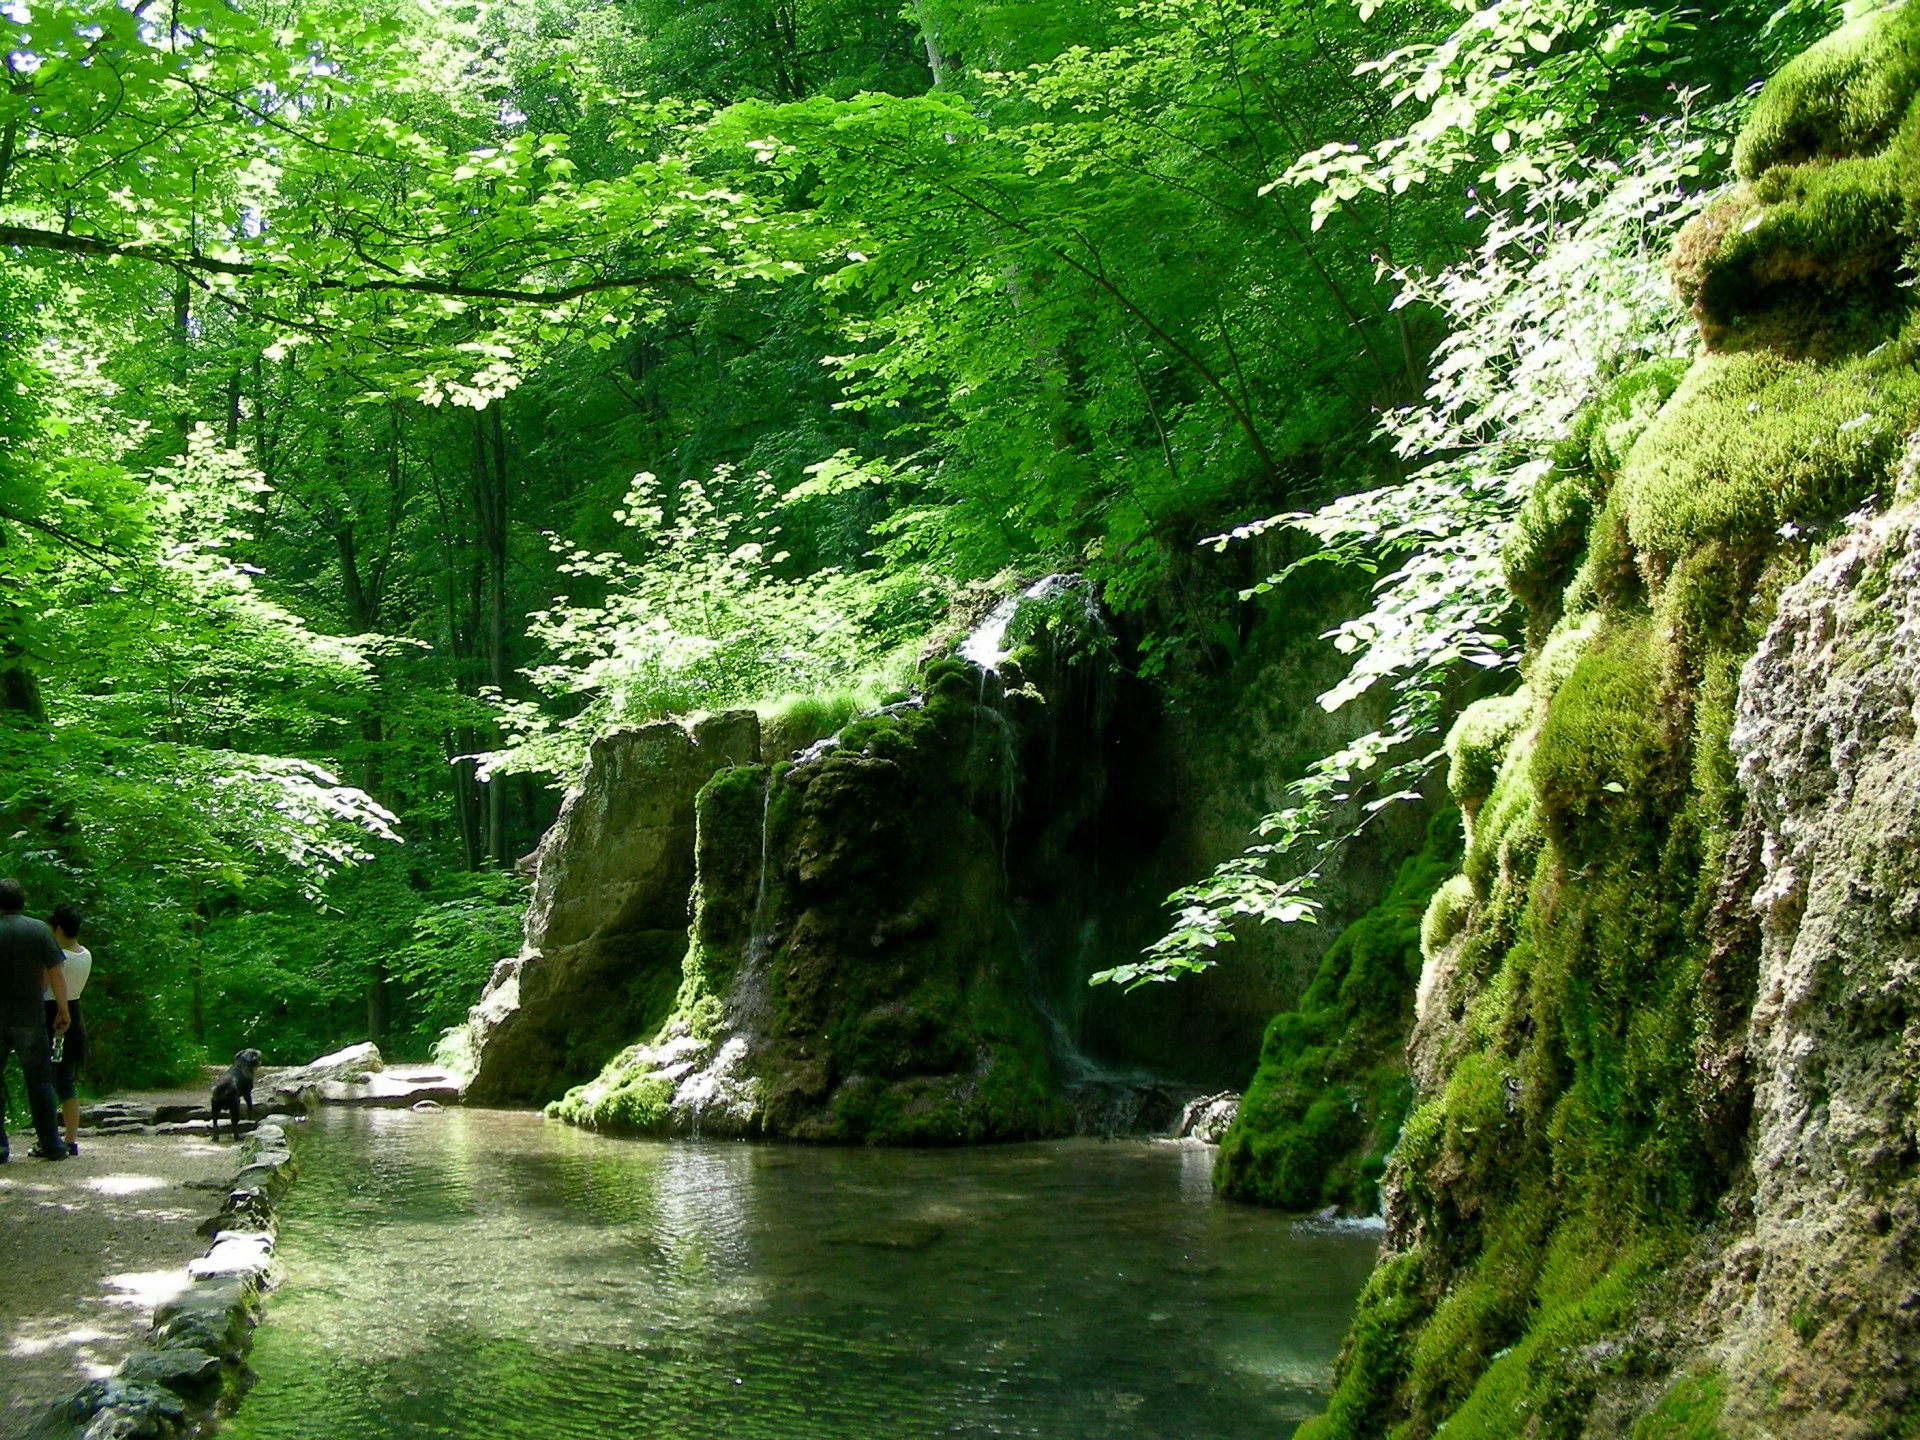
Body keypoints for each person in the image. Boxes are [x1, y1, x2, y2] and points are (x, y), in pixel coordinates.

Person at [0, 876, 69, 1160]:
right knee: (40, 1083)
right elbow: (55, 974)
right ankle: (51, 1145)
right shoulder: (39, 930)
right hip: (30, 1016)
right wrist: (63, 1011)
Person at [46, 903, 91, 1156]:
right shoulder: (85, 955)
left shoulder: (56, 959)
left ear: (59, 929)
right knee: (67, 1084)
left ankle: (50, 1137)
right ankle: (71, 1138)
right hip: (75, 1014)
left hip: (52, 1015)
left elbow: (45, 986)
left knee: (47, 1081)